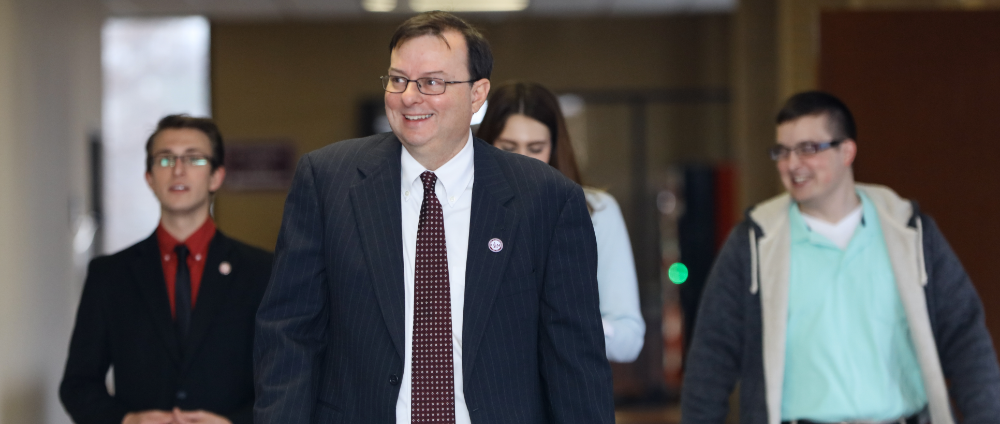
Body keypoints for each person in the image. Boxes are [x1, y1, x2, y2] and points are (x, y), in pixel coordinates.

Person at [253, 11, 613, 424]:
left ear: (477, 94)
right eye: (398, 79)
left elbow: (574, 357)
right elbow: (289, 334)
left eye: (432, 82)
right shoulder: (327, 181)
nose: (409, 96)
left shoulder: (547, 198)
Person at [681, 91, 1000, 424]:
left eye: (808, 149)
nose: (792, 165)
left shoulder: (911, 233)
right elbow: (711, 360)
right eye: (782, 151)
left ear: (847, 151)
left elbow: (966, 339)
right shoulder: (753, 243)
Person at [60, 115, 273, 424]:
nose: (178, 169)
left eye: (194, 158)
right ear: (149, 177)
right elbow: (78, 385)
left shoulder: (261, 271)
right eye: (165, 159)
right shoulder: (109, 275)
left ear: (216, 176)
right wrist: (127, 420)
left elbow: (284, 380)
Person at [476, 81, 645, 363]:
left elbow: (628, 341)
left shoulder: (596, 211)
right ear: (486, 145)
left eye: (535, 148)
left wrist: (567, 319)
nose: (522, 161)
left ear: (554, 148)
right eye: (508, 147)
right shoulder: (464, 209)